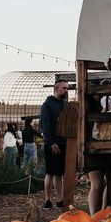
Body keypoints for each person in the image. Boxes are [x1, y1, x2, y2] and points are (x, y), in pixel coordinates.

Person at [39, 78, 69, 209]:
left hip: (63, 142)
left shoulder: (65, 104)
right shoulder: (47, 105)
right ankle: (47, 200)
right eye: (64, 88)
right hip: (51, 143)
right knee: (50, 172)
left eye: (67, 88)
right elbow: (45, 125)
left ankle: (60, 199)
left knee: (59, 173)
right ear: (56, 89)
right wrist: (51, 142)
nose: (66, 90)